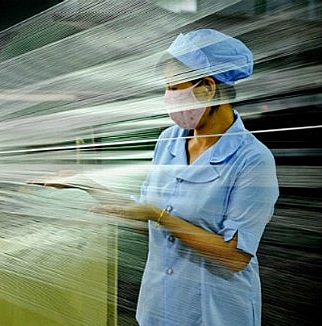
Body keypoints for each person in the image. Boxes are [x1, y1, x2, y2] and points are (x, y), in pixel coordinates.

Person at [34, 29, 279, 325]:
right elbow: (151, 222)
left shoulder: (252, 160)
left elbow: (235, 256)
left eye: (176, 87)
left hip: (214, 313)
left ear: (208, 87)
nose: (169, 97)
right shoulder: (169, 141)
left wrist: (159, 215)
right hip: (160, 308)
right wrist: (89, 185)